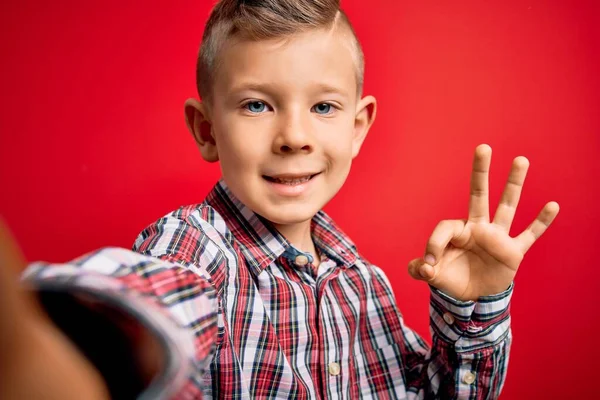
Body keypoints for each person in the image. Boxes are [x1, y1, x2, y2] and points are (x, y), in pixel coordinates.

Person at [0, 0, 559, 398]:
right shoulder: (197, 246)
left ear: (359, 126)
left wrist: (474, 311)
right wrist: (52, 333)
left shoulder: (364, 284)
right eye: (257, 105)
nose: (295, 136)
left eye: (323, 107)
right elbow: (156, 298)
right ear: (206, 131)